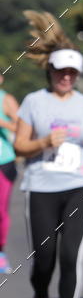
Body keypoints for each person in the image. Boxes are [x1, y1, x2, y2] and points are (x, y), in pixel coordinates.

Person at [14, 11, 83, 298]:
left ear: (77, 75)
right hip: (40, 185)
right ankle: (40, 296)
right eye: (61, 72)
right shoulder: (34, 102)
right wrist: (43, 142)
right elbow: (20, 146)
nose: (66, 77)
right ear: (50, 71)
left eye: (71, 73)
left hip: (77, 184)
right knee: (45, 257)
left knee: (70, 256)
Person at [0, 72, 19, 274]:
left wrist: (3, 123)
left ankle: (0, 252)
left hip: (3, 161)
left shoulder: (6, 100)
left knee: (0, 210)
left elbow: (23, 126)